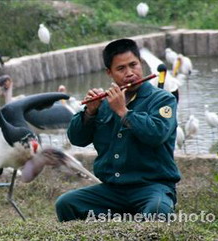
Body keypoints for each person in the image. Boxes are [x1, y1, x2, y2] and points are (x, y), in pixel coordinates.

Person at [55, 39, 181, 222]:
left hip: (153, 187)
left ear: (141, 64)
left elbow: (156, 134)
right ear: (110, 73)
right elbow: (76, 139)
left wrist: (123, 112)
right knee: (66, 204)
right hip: (112, 190)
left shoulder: (163, 99)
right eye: (121, 69)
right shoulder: (103, 103)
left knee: (157, 211)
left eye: (133, 65)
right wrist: (90, 112)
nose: (130, 73)